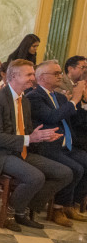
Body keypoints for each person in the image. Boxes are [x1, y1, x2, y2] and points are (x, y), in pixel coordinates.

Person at [0, 59, 72, 231]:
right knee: (35, 177)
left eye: (32, 74)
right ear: (14, 76)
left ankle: (23, 209)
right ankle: (8, 211)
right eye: (29, 75)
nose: (33, 78)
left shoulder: (24, 101)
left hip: (19, 151)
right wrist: (30, 139)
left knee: (64, 173)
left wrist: (43, 137)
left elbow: (27, 131)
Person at [26, 60, 87, 226]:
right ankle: (57, 209)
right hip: (46, 146)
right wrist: (74, 100)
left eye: (60, 73)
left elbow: (75, 119)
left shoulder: (59, 96)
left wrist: (82, 101)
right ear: (42, 77)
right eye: (56, 73)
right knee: (75, 169)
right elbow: (52, 117)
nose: (60, 76)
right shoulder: (34, 97)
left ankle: (70, 205)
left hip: (66, 145)